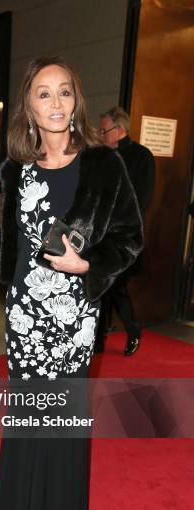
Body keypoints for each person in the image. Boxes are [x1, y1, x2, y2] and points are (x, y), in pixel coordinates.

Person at [0, 57, 143, 510]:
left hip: (73, 318)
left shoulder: (101, 164)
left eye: (64, 92)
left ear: (77, 102)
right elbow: (13, 240)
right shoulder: (15, 170)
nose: (55, 103)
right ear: (28, 105)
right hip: (25, 318)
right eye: (44, 94)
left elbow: (130, 239)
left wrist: (87, 265)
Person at [97, 106, 155, 355]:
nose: (100, 135)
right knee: (103, 285)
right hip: (101, 234)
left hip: (125, 236)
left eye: (103, 130)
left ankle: (131, 329)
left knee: (115, 285)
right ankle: (98, 341)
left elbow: (141, 199)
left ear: (119, 130)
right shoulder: (102, 157)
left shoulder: (142, 157)